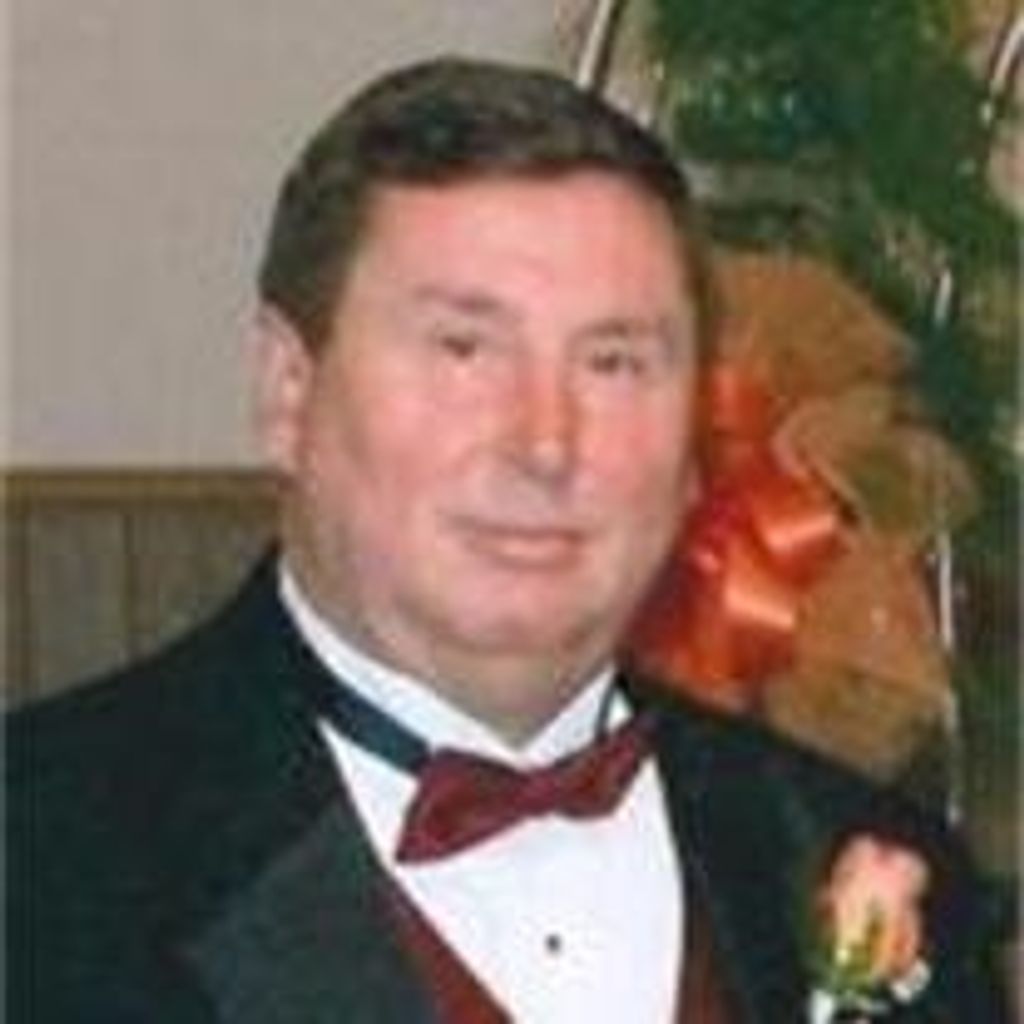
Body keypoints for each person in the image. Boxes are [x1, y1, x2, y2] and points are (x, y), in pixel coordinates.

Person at [7, 57, 1005, 1023]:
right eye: (464, 349)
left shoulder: (861, 858)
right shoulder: (41, 859)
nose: (545, 444)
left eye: (614, 362)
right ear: (288, 391)